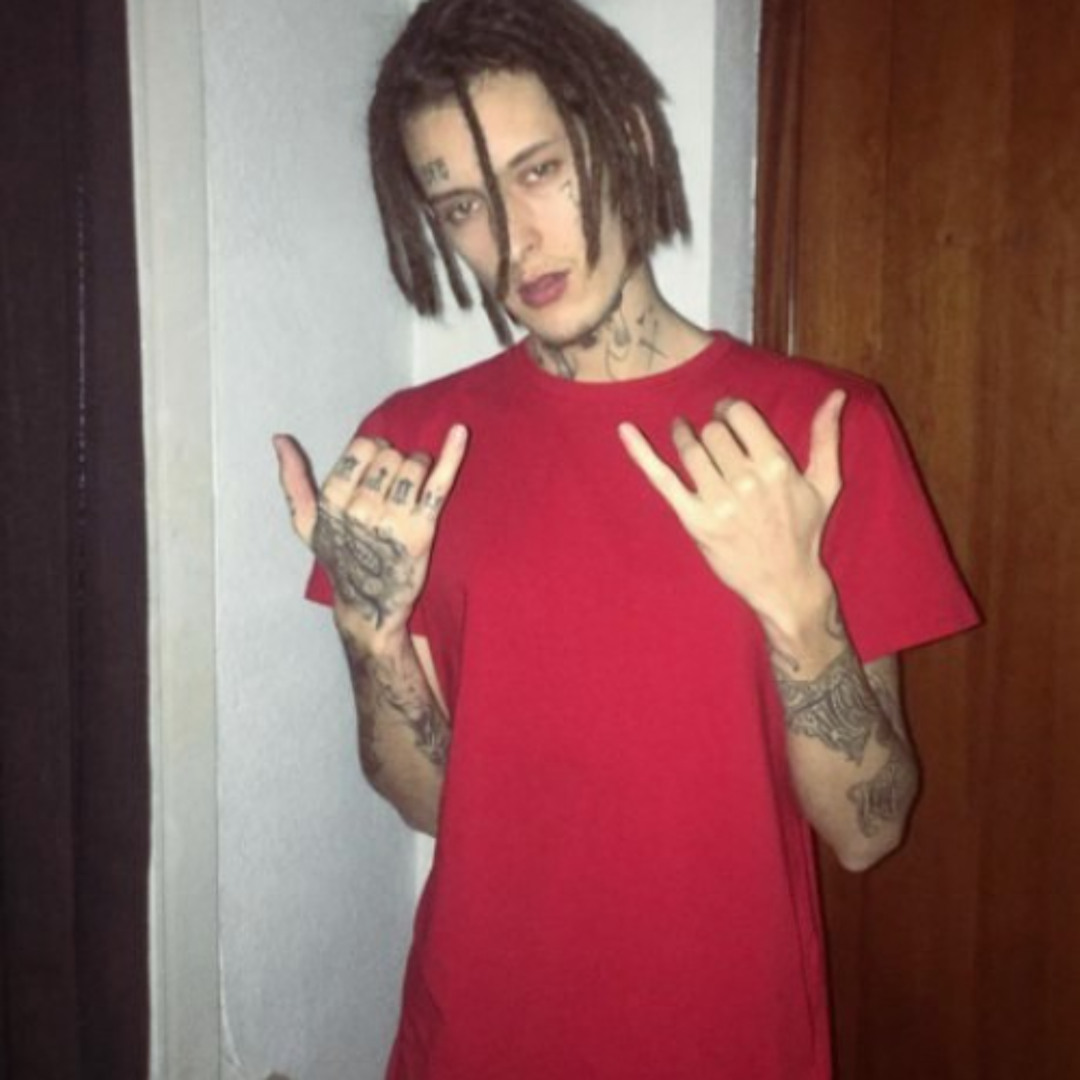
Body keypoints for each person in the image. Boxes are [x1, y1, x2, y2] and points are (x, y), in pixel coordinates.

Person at [273, 0, 979, 1075]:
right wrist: (373, 645)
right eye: (463, 205)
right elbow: (433, 804)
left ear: (629, 139)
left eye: (539, 172)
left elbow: (870, 830)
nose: (513, 241)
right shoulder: (412, 449)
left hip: (727, 1040)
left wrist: (799, 608)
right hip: (478, 1036)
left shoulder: (821, 433)